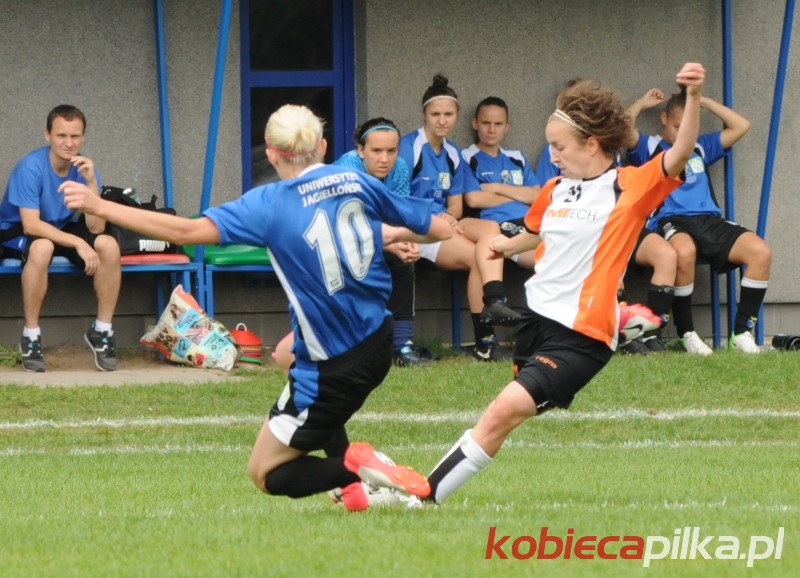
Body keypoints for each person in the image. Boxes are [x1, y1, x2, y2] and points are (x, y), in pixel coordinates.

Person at [61, 104, 453, 511]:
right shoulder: (355, 180)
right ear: (322, 146)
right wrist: (416, 232)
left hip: (335, 366)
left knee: (266, 474)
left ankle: (356, 469)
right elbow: (432, 226)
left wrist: (99, 206)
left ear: (270, 153)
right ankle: (353, 490)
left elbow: (185, 231)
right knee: (285, 354)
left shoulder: (269, 204)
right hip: (378, 336)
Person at [423, 63, 706, 504]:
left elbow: (681, 150)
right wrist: (504, 244)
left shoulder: (629, 186)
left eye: (559, 146)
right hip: (536, 324)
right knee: (503, 419)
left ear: (591, 144)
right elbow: (537, 229)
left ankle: (421, 497)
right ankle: (620, 316)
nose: (552, 156)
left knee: (499, 412)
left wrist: (694, 95)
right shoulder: (556, 188)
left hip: (580, 338)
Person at [273, 117, 430, 370]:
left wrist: (405, 241)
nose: (385, 159)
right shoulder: (347, 170)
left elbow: (398, 214)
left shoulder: (400, 167)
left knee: (403, 261)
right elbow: (344, 227)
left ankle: (401, 345)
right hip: (321, 240)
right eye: (376, 151)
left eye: (391, 151)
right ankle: (317, 344)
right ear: (361, 150)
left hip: (368, 237)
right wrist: (390, 243)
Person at [626, 85, 769, 354]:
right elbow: (623, 127)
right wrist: (642, 103)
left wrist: (703, 101)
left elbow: (741, 126)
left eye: (688, 126)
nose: (683, 133)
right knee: (684, 251)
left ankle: (742, 333)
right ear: (664, 118)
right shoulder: (650, 147)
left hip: (708, 220)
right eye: (677, 126)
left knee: (760, 252)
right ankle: (686, 332)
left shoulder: (700, 146)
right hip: (670, 219)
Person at [399, 74, 521, 362]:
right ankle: (486, 343)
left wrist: (449, 216)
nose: (442, 120)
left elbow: (456, 205)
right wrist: (437, 217)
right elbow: (399, 201)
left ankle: (494, 300)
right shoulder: (408, 148)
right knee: (480, 257)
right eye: (436, 114)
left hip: (445, 224)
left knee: (489, 230)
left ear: (456, 115)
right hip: (416, 228)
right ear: (424, 114)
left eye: (448, 114)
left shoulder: (453, 153)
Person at [0, 105, 121, 372]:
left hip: (60, 226)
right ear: (48, 135)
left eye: (75, 136)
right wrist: (78, 242)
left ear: (83, 137)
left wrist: (91, 183)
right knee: (42, 247)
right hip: (17, 229)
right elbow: (31, 225)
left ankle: (101, 331)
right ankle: (31, 336)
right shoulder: (30, 167)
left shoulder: (84, 168)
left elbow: (97, 227)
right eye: (61, 136)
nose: (69, 143)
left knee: (108, 245)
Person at [462, 96, 540, 270]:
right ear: (475, 123)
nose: (492, 130)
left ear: (507, 126)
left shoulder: (517, 157)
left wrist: (497, 188)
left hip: (530, 221)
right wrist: (520, 195)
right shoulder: (466, 157)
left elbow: (537, 196)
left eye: (498, 124)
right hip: (500, 225)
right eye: (486, 123)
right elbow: (474, 199)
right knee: (548, 261)